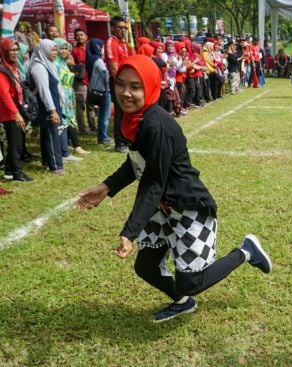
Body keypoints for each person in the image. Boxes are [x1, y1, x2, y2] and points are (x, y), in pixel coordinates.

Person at [74, 55, 272, 323]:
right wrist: (106, 187)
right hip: (165, 209)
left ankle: (246, 251)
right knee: (146, 267)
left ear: (151, 85)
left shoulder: (156, 124)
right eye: (121, 84)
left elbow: (154, 182)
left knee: (191, 281)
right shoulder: (134, 118)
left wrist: (129, 232)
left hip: (188, 206)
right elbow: (136, 163)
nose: (126, 93)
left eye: (136, 86)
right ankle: (183, 303)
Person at [29, 39, 64, 174]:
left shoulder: (48, 64)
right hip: (47, 107)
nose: (55, 53)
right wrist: (52, 111)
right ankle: (55, 165)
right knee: (51, 134)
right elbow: (44, 91)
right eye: (52, 50)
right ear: (44, 50)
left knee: (48, 133)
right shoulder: (39, 67)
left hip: (52, 104)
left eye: (56, 50)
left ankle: (48, 161)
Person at [0, 39, 32, 182]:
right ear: (4, 51)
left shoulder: (13, 66)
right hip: (9, 112)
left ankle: (9, 171)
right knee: (16, 143)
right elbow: (4, 95)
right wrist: (16, 113)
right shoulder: (2, 69)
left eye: (16, 50)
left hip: (16, 109)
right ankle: (17, 173)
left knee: (17, 141)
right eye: (11, 50)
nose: (14, 53)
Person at [53, 38, 88, 161]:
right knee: (62, 124)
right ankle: (64, 152)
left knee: (68, 122)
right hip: (60, 98)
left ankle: (68, 149)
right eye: (61, 48)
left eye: (66, 48)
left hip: (68, 97)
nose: (64, 51)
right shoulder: (55, 64)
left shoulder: (64, 63)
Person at [105, 16, 130, 153]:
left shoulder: (122, 42)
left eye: (125, 28)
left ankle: (127, 138)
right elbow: (113, 68)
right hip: (119, 82)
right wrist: (123, 85)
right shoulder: (111, 42)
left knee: (127, 111)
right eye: (120, 27)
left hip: (126, 81)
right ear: (113, 28)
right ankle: (120, 143)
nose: (123, 30)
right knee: (120, 112)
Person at [86, 39, 112, 145]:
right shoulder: (98, 60)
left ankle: (102, 136)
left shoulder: (90, 58)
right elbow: (105, 74)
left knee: (101, 114)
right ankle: (103, 137)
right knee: (104, 115)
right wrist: (110, 83)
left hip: (95, 88)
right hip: (103, 90)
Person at [71, 28, 97, 135]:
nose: (79, 37)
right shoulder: (74, 50)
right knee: (80, 105)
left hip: (93, 80)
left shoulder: (91, 48)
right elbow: (72, 64)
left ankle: (93, 126)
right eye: (77, 35)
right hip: (80, 81)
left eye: (81, 35)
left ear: (86, 36)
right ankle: (83, 128)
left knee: (91, 105)